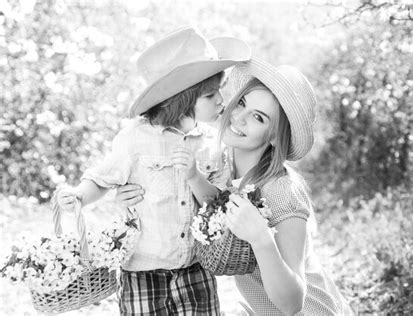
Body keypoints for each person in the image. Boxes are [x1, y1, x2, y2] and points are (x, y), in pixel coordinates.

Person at [117, 58, 353, 315]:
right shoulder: (217, 168)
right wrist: (136, 193)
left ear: (274, 136)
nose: (238, 117)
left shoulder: (282, 191)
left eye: (258, 118)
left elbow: (292, 302)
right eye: (241, 103)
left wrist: (261, 239)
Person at [56, 26, 251, 315]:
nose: (221, 101)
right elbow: (103, 178)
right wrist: (79, 197)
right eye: (211, 95)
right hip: (141, 271)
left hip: (194, 270)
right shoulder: (135, 138)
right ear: (183, 98)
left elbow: (218, 203)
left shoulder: (211, 143)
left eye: (219, 91)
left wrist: (195, 177)